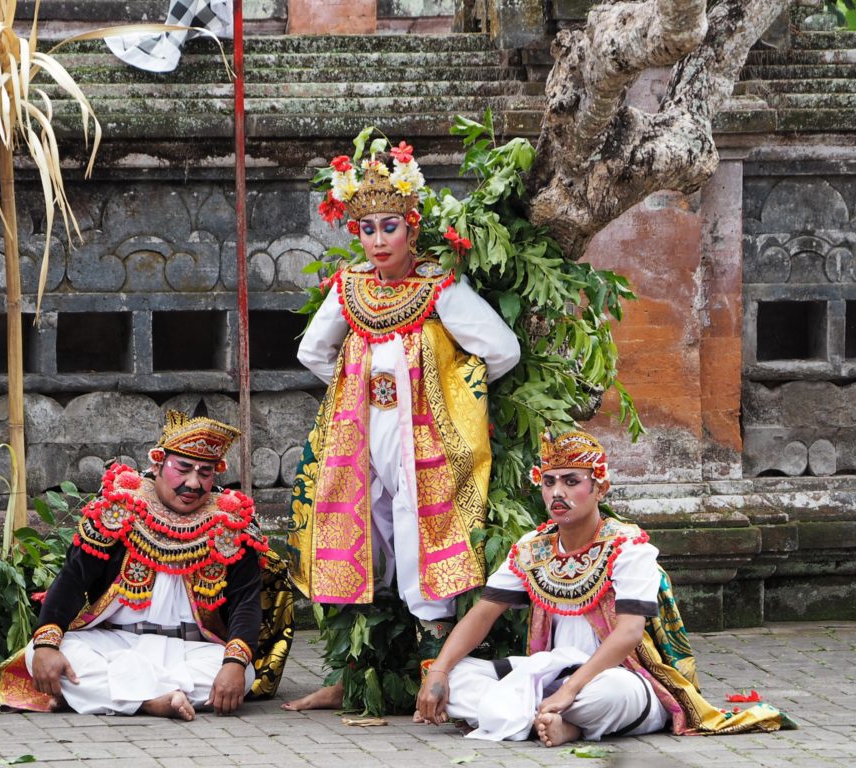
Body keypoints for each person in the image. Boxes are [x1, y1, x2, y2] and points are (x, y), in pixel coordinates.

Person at [283, 141, 521, 710]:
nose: (379, 240)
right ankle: (359, 675)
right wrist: (354, 388)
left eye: (391, 226)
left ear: (412, 230)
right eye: (368, 229)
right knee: (368, 538)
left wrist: (453, 388)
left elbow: (501, 349)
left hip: (424, 439)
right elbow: (316, 352)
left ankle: (434, 674)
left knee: (420, 539)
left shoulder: (440, 287)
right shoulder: (350, 287)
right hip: (364, 435)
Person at [416, 428, 791, 745]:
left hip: (619, 676)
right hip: (551, 674)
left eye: (571, 481)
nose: (557, 493)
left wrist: (570, 691)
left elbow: (628, 634)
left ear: (601, 488)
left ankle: (560, 723)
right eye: (549, 482)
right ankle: (544, 720)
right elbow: (483, 615)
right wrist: (438, 673)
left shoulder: (628, 547)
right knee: (459, 677)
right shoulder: (532, 548)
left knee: (612, 695)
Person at [0, 409, 292, 719]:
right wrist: (47, 645)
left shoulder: (230, 524)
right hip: (114, 642)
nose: (193, 483)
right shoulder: (119, 507)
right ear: (158, 463)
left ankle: (111, 696)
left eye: (205, 472)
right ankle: (153, 702)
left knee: (243, 675)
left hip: (190, 650)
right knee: (47, 655)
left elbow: (245, 602)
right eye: (183, 468)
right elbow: (72, 579)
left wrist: (233, 665)